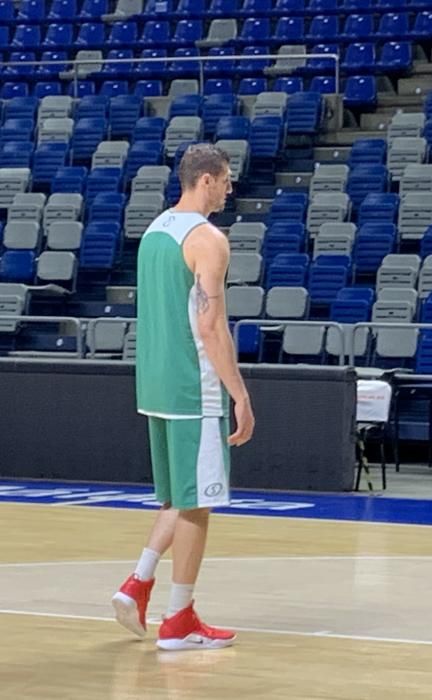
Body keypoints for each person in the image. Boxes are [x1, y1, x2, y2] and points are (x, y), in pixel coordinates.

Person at [111, 143, 255, 651]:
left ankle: (139, 583)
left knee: (178, 498)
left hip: (154, 383)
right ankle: (179, 618)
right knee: (198, 505)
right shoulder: (208, 239)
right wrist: (239, 393)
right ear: (207, 179)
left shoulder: (154, 231)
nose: (230, 189)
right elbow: (210, 324)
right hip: (194, 387)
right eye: (227, 180)